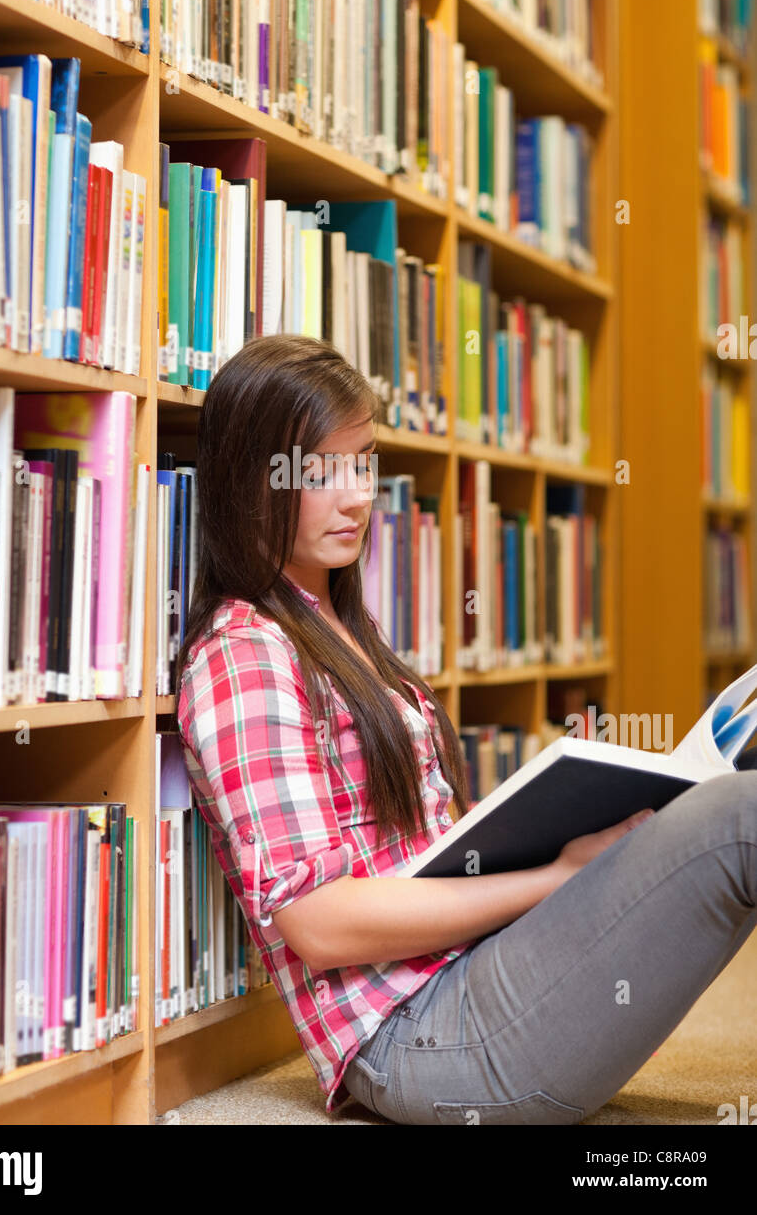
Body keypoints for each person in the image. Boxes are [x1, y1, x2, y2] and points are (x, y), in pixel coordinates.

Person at [175, 333, 757, 1125]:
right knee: (738, 819)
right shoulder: (242, 653)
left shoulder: (340, 630)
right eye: (317, 473)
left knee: (716, 797)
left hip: (471, 975)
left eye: (364, 461)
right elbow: (315, 923)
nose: (355, 496)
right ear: (251, 483)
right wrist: (557, 880)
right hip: (415, 1036)